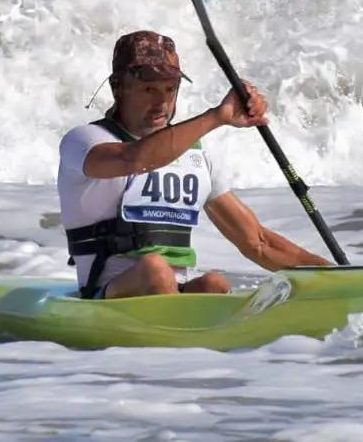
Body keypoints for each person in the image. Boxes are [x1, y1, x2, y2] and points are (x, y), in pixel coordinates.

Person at [59, 30, 330, 300]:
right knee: (156, 270)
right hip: (104, 297)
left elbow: (257, 242)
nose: (162, 102)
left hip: (175, 296)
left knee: (214, 283)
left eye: (170, 88)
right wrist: (216, 117)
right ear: (117, 87)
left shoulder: (196, 158)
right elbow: (134, 159)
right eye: (149, 89)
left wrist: (331, 274)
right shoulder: (85, 141)